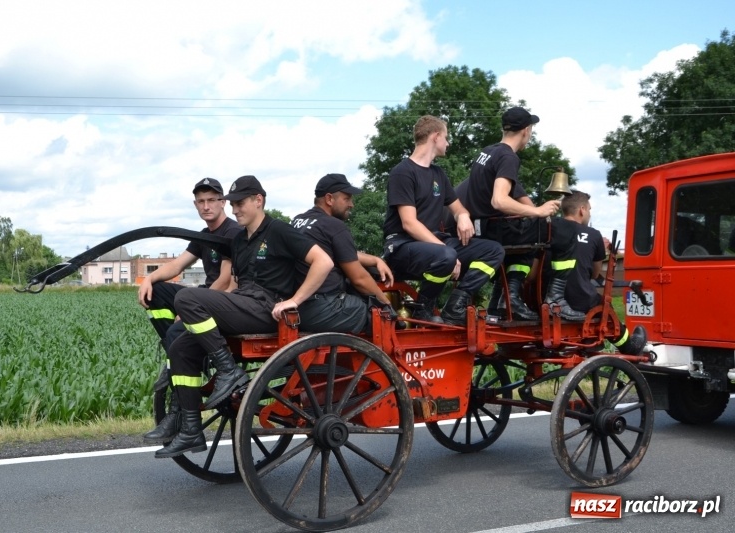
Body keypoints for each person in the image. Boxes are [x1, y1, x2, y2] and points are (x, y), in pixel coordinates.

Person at [151, 175, 334, 458]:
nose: (235, 210)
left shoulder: (278, 231)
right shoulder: (241, 240)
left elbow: (324, 261)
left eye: (239, 204)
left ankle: (228, 371)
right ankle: (190, 429)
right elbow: (233, 281)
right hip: (245, 303)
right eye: (233, 205)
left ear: (258, 200)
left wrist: (295, 300)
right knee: (181, 346)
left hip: (267, 310)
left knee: (186, 297)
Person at [137, 177, 241, 445]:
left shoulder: (232, 232)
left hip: (222, 300)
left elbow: (227, 280)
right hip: (202, 299)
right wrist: (149, 279)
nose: (206, 206)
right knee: (157, 292)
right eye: (201, 202)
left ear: (223, 203)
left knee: (177, 331)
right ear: (196, 205)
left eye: (211, 201)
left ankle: (179, 406)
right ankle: (176, 352)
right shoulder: (203, 236)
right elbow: (177, 265)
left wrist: (193, 305)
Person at [457, 106, 585, 322]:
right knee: (567, 230)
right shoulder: (508, 157)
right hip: (496, 229)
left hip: (482, 229)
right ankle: (556, 300)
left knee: (534, 239)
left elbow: (510, 192)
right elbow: (499, 199)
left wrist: (535, 212)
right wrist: (538, 211)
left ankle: (507, 298)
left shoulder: (487, 152)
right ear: (526, 130)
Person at [382, 115, 504, 326]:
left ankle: (455, 305)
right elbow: (409, 223)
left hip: (435, 246)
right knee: (446, 255)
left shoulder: (439, 174)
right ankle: (424, 309)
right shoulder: (403, 172)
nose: (447, 143)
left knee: (494, 250)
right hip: (402, 246)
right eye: (446, 137)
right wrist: (447, 252)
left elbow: (458, 208)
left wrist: (463, 216)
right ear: (435, 136)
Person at [291, 173, 394, 333]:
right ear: (329, 199)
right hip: (326, 308)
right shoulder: (334, 225)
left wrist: (375, 260)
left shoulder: (298, 221)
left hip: (299, 308)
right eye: (347, 199)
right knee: (379, 315)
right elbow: (359, 279)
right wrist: (386, 304)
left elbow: (339, 252)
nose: (351, 204)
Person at [561, 190, 646, 354]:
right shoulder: (593, 235)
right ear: (582, 210)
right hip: (579, 299)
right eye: (589, 210)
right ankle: (629, 346)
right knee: (604, 306)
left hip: (549, 301)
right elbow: (594, 274)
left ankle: (587, 341)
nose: (589, 214)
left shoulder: (552, 231)